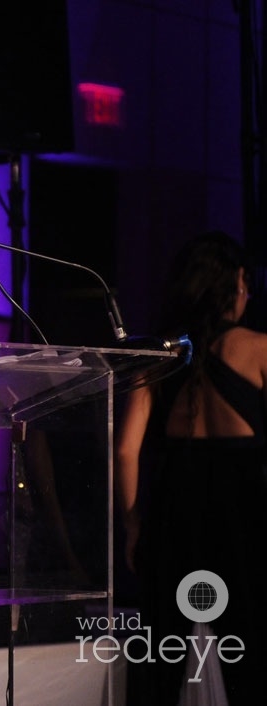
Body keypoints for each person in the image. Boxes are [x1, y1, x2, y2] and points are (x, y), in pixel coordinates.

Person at [116, 231, 267, 705]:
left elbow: (125, 451)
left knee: (163, 656)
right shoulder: (259, 348)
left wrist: (133, 525)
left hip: (173, 506)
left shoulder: (159, 356)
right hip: (243, 508)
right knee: (251, 652)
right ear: (231, 286)